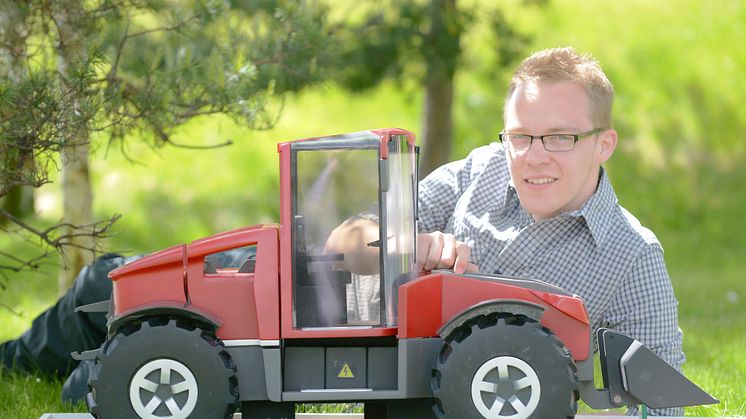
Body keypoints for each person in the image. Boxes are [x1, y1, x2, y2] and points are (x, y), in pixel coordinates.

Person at [2, 47, 684, 416]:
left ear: (604, 143)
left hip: (427, 366)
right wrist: (408, 244)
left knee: (120, 355)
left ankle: (90, 385)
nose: (534, 156)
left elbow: (662, 396)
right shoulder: (478, 175)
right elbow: (343, 243)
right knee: (108, 281)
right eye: (520, 135)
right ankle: (22, 364)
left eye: (559, 137)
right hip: (321, 297)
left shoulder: (630, 255)